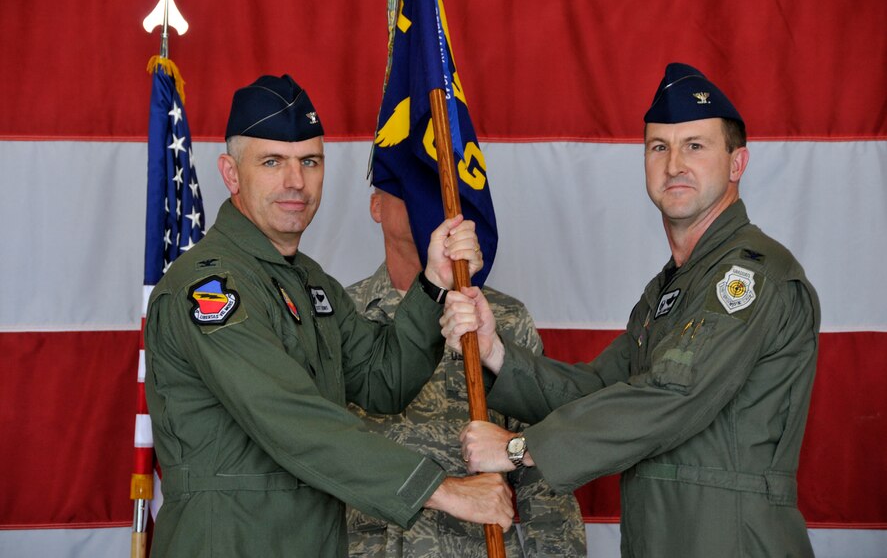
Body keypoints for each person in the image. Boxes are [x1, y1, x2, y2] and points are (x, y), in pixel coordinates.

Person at [444, 63, 821, 557]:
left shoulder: (749, 276)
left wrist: (520, 449)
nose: (674, 164)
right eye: (659, 147)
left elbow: (671, 396)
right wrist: (496, 352)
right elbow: (600, 391)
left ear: (737, 163)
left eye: (695, 145)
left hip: (731, 540)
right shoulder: (672, 289)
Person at [143, 74, 514, 558]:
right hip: (229, 541)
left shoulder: (309, 282)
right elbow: (290, 418)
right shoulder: (209, 287)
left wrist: (433, 283)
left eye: (309, 162)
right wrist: (442, 490)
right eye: (272, 162)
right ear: (231, 174)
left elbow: (383, 380)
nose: (295, 182)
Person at [345, 188, 587, 557]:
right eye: (408, 184)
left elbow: (540, 466)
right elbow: (313, 454)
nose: (426, 199)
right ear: (376, 206)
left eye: (433, 185)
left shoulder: (501, 317)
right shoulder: (340, 317)